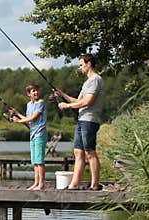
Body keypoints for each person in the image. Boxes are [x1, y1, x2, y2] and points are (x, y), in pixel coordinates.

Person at [55, 54, 105, 190]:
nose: (80, 67)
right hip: (82, 119)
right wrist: (63, 95)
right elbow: (78, 100)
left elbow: (87, 102)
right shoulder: (87, 82)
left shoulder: (95, 80)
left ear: (89, 64)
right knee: (78, 152)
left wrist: (67, 106)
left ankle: (94, 185)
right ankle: (74, 184)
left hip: (89, 120)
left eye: (81, 64)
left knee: (90, 152)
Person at [10, 84, 47, 190]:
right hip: (33, 135)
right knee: (35, 161)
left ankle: (41, 184)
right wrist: (17, 113)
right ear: (28, 94)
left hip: (40, 134)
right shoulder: (29, 104)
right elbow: (28, 118)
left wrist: (18, 121)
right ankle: (36, 183)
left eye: (37, 90)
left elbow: (34, 118)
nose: (36, 93)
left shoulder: (41, 103)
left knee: (40, 161)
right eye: (33, 91)